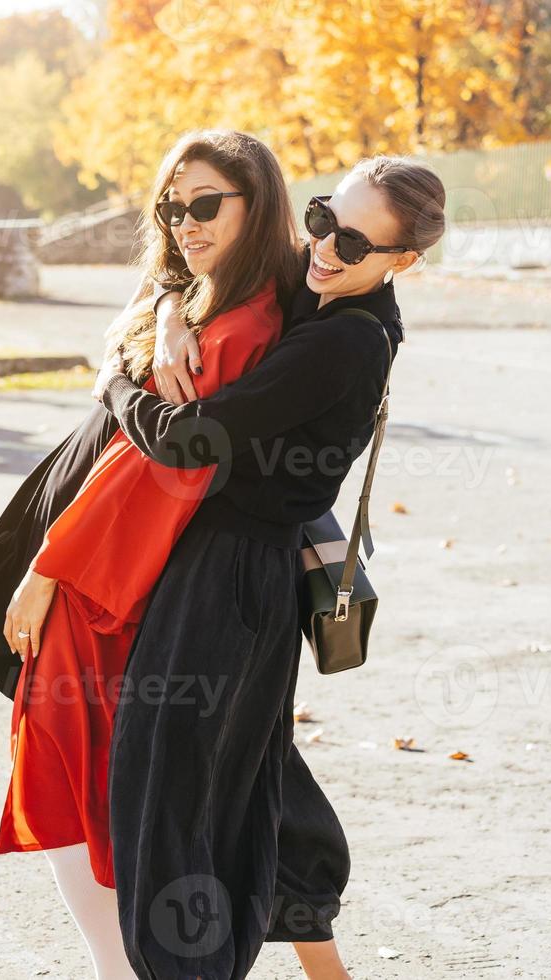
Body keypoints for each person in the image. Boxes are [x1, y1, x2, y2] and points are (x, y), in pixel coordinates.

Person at [92, 155, 448, 980]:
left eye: (353, 241)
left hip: (238, 579)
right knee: (239, 767)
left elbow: (190, 440)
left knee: (173, 784)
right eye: (322, 218)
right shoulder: (320, 283)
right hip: (223, 567)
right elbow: (189, 266)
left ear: (403, 261)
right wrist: (172, 311)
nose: (323, 246)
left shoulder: (349, 341)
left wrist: (114, 382)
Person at [0, 131, 298, 980]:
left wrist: (48, 567)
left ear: (256, 204)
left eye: (206, 205)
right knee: (98, 792)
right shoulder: (214, 300)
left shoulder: (238, 329)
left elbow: (157, 472)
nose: (186, 222)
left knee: (83, 786)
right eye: (173, 206)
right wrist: (168, 307)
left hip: (109, 592)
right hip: (125, 586)